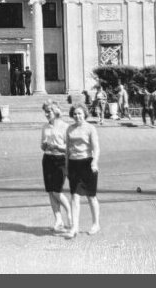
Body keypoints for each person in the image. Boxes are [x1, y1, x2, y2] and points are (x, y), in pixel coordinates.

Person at [65, 103, 101, 238]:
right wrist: (66, 167)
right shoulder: (69, 129)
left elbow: (96, 148)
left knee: (91, 196)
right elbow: (67, 150)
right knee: (74, 196)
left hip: (87, 164)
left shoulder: (90, 128)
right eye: (74, 114)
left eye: (79, 113)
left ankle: (96, 224)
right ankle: (74, 227)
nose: (77, 116)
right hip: (73, 164)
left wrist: (94, 162)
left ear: (84, 114)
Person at [40, 101, 71, 232]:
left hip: (60, 159)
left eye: (49, 111)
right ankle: (58, 220)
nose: (46, 114)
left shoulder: (65, 127)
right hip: (47, 159)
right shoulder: (45, 127)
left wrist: (57, 146)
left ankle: (70, 213)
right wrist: (44, 145)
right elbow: (42, 146)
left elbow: (69, 147)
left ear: (56, 111)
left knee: (57, 191)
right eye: (45, 112)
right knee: (50, 191)